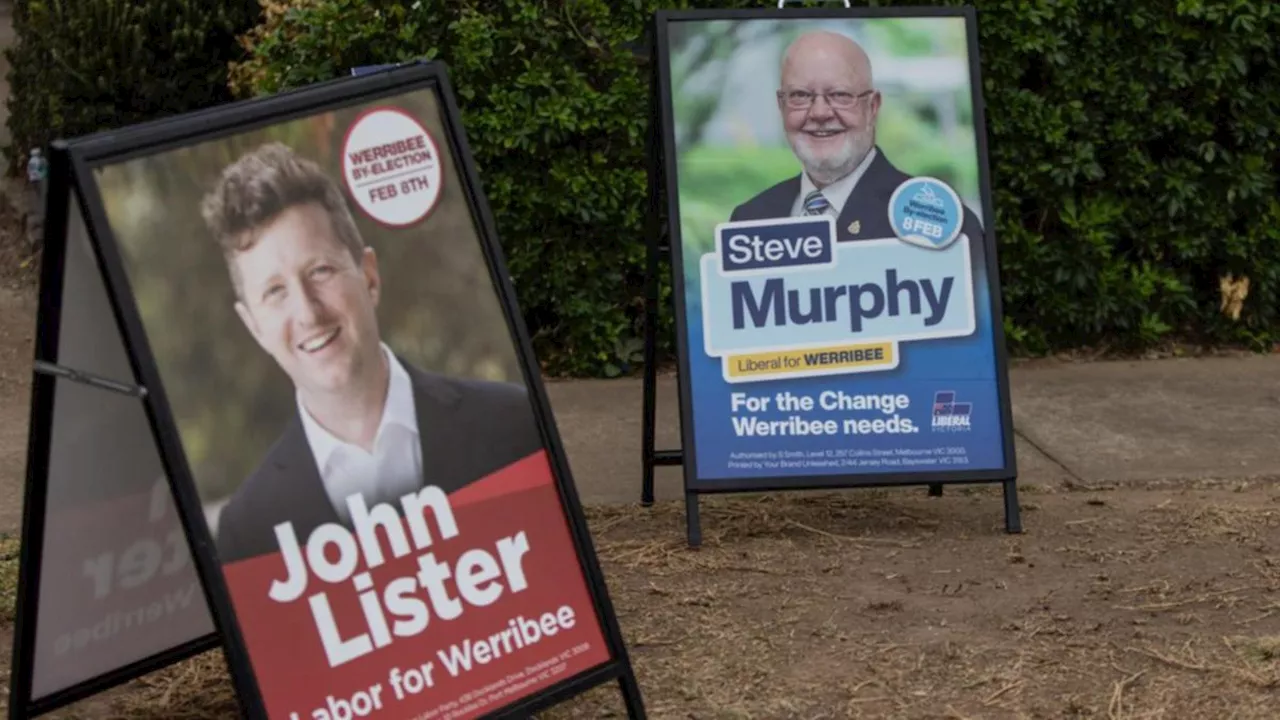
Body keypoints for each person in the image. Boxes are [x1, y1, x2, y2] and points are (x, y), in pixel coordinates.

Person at [201, 142, 543, 564]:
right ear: (254, 326)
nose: (307, 311)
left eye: (320, 271)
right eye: (275, 292)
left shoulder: (515, 426)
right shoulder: (249, 530)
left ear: (369, 276)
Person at [730, 30, 984, 245]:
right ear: (781, 105)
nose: (819, 112)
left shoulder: (938, 222)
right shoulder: (749, 222)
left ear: (872, 107)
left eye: (840, 95)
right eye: (800, 95)